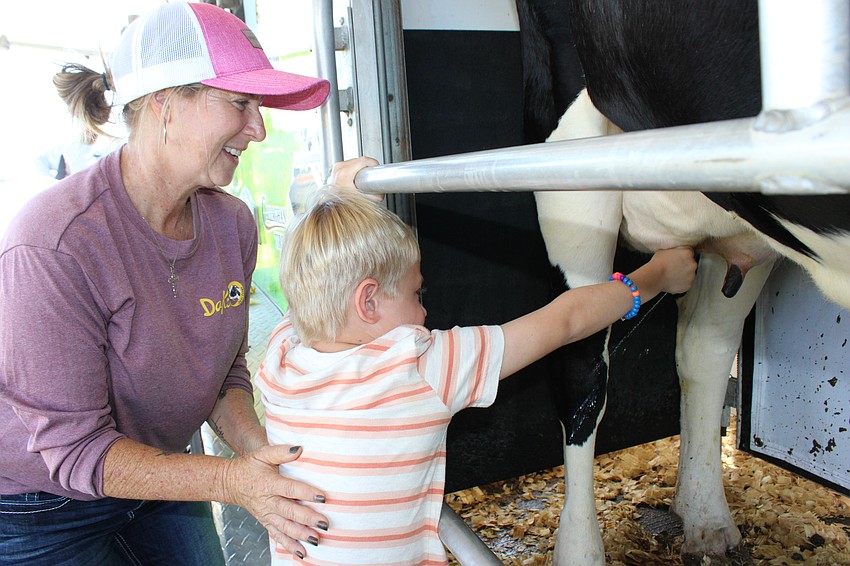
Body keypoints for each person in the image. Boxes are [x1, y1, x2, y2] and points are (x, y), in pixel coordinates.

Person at [0, 3, 372, 564]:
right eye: (240, 103)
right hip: (42, 505)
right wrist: (233, 483)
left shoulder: (231, 224)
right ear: (164, 102)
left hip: (163, 473)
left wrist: (260, 454)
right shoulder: (56, 244)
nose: (259, 128)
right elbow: (75, 451)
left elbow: (222, 374)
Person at [255, 189, 698, 564]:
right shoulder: (419, 367)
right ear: (368, 302)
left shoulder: (280, 357)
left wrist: (342, 192)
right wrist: (653, 276)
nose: (425, 311)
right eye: (416, 293)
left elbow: (309, 296)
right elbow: (566, 321)